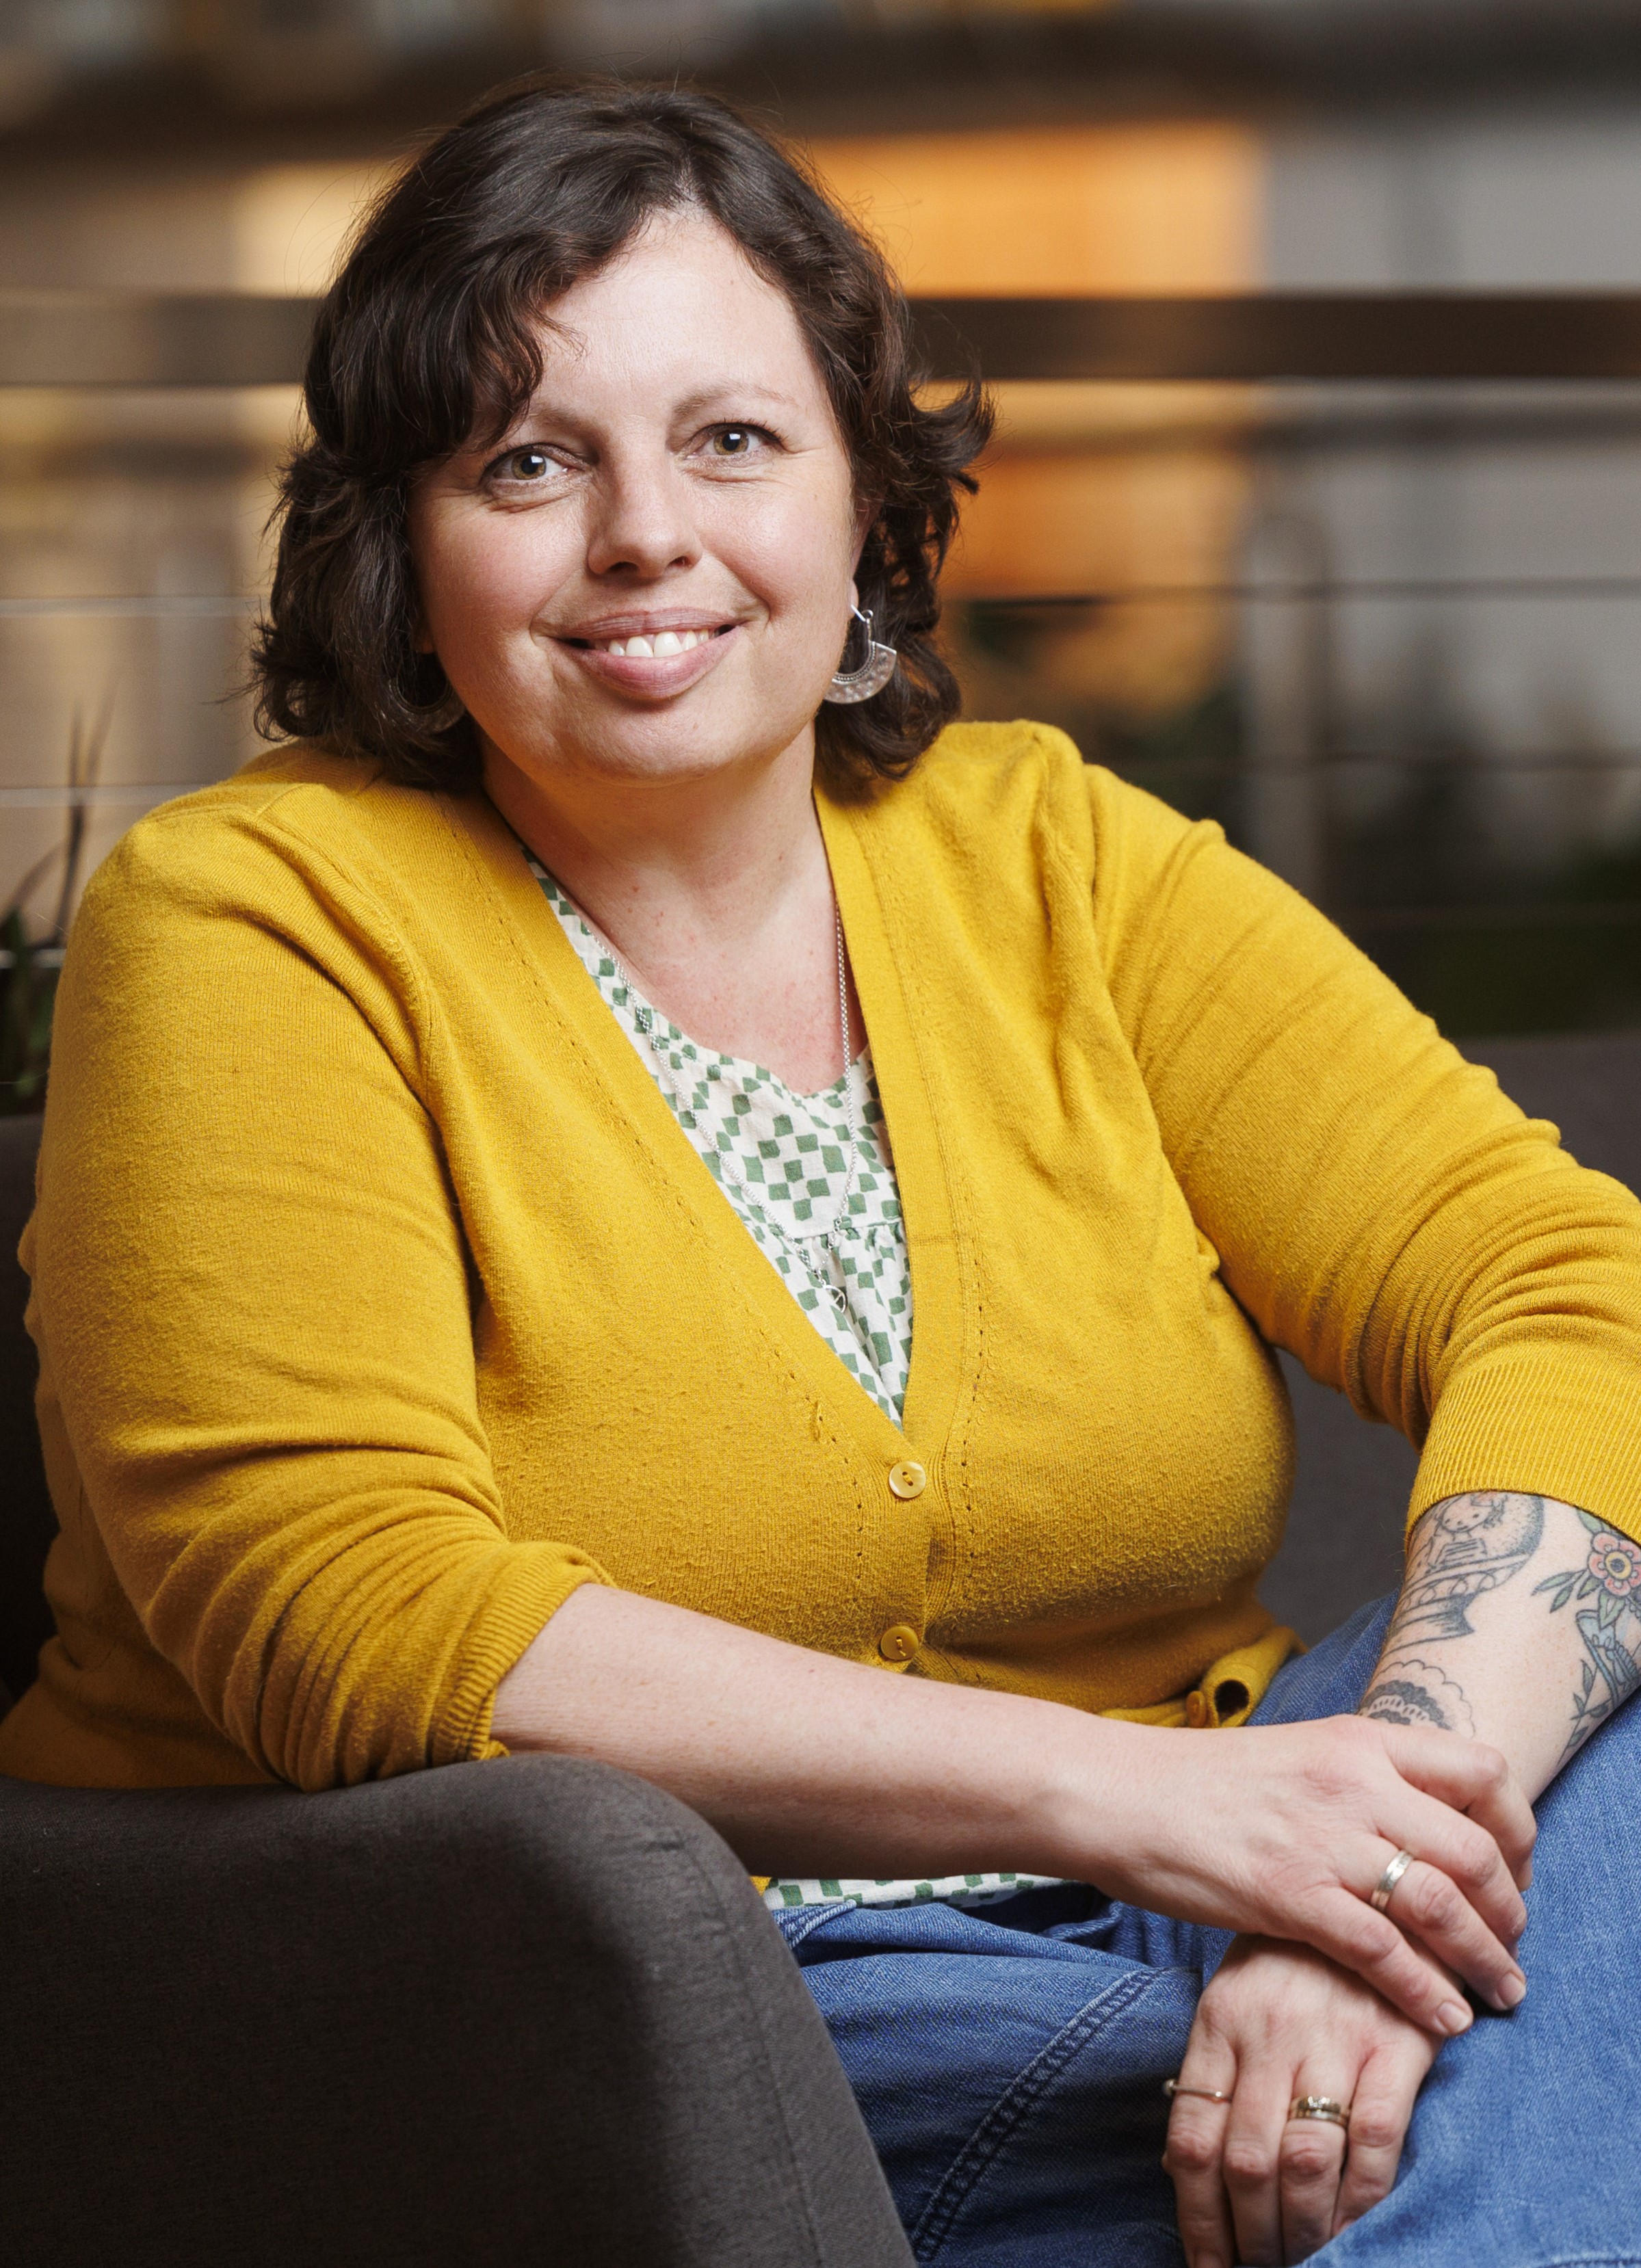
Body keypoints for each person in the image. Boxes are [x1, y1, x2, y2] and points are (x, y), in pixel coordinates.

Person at [3, 77, 1638, 2267]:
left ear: (867, 511)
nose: (644, 535)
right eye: (527, 458)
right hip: (698, 1988)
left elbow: (1558, 1279)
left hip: (1221, 1882)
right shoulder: (249, 919)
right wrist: (1174, 1807)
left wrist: (1366, 1887)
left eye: (733, 440)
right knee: (1545, 2051)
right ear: (403, 545)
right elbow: (343, 1599)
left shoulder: (1052, 852)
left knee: (1543, 1811)